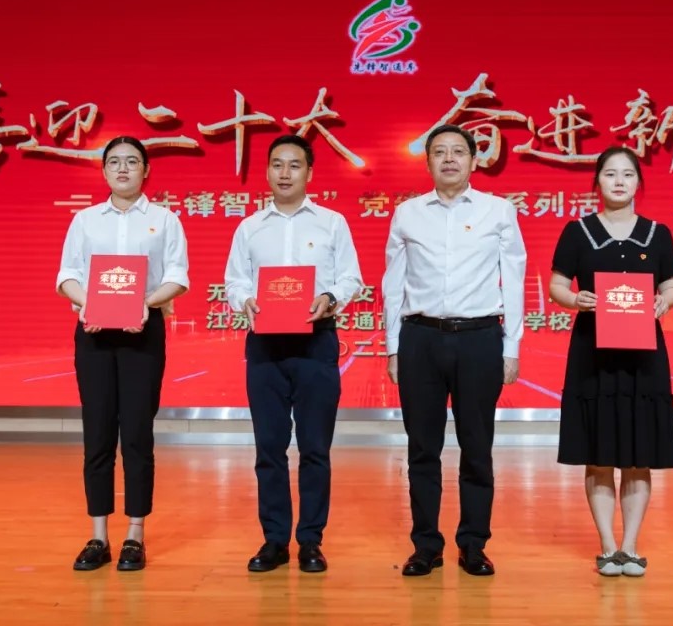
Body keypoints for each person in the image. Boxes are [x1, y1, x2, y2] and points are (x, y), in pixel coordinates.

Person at [382, 124, 526, 577]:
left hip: (480, 338)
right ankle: (426, 545)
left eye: (458, 151)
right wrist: (392, 347)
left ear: (473, 161)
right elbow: (392, 284)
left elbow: (514, 279)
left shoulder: (498, 211)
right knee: (422, 449)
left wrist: (512, 346)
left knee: (477, 448)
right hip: (420, 338)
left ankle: (474, 544)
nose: (449, 159)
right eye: (439, 152)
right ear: (427, 162)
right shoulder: (407, 214)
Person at [225, 134, 363, 573]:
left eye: (295, 165)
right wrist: (244, 299)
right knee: (269, 447)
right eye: (277, 165)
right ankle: (274, 540)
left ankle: (310, 540)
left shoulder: (332, 223)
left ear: (309, 173)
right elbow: (234, 281)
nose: (285, 173)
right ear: (267, 171)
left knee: (315, 447)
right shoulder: (249, 227)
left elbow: (351, 278)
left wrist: (330, 296)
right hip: (265, 344)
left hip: (315, 341)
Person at [56, 136, 190, 572]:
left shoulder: (165, 220)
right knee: (97, 434)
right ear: (104, 171)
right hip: (94, 335)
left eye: (132, 161)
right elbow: (67, 276)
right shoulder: (85, 220)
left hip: (142, 333)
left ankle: (135, 534)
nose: (123, 168)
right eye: (114, 162)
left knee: (136, 434)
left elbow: (178, 276)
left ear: (146, 170)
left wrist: (143, 305)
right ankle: (98, 536)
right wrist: (91, 305)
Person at [548, 146, 673, 577]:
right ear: (597, 182)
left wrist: (664, 301)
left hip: (645, 356)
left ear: (638, 182)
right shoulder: (577, 232)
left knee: (639, 455)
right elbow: (557, 286)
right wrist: (575, 300)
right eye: (610, 174)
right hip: (593, 353)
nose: (619, 181)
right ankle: (607, 546)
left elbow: (672, 286)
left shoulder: (657, 233)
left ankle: (631, 546)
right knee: (599, 453)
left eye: (627, 174)